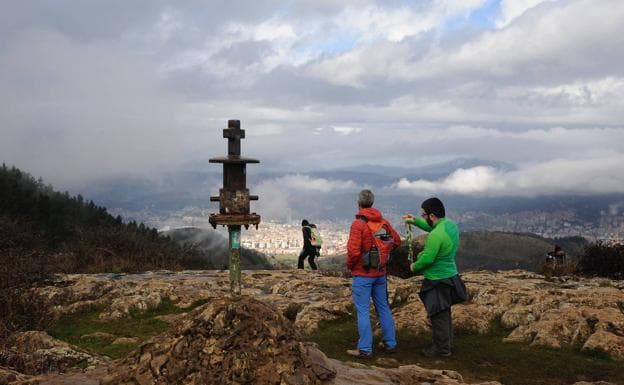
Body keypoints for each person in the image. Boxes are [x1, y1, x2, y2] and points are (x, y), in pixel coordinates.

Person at [403, 197, 466, 358]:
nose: (423, 217)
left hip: (437, 279)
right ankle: (447, 342)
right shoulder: (449, 225)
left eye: (423, 215)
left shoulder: (435, 236)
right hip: (450, 275)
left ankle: (441, 349)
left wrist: (414, 266)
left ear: (431, 216)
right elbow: (431, 226)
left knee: (437, 314)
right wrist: (415, 220)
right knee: (444, 312)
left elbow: (428, 259)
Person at [346, 189, 401, 358]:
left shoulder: (359, 224)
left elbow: (354, 252)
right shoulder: (381, 222)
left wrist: (350, 266)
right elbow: (396, 241)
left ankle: (365, 349)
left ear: (359, 203)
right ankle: (390, 343)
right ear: (372, 203)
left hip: (363, 274)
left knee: (363, 310)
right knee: (383, 307)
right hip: (380, 273)